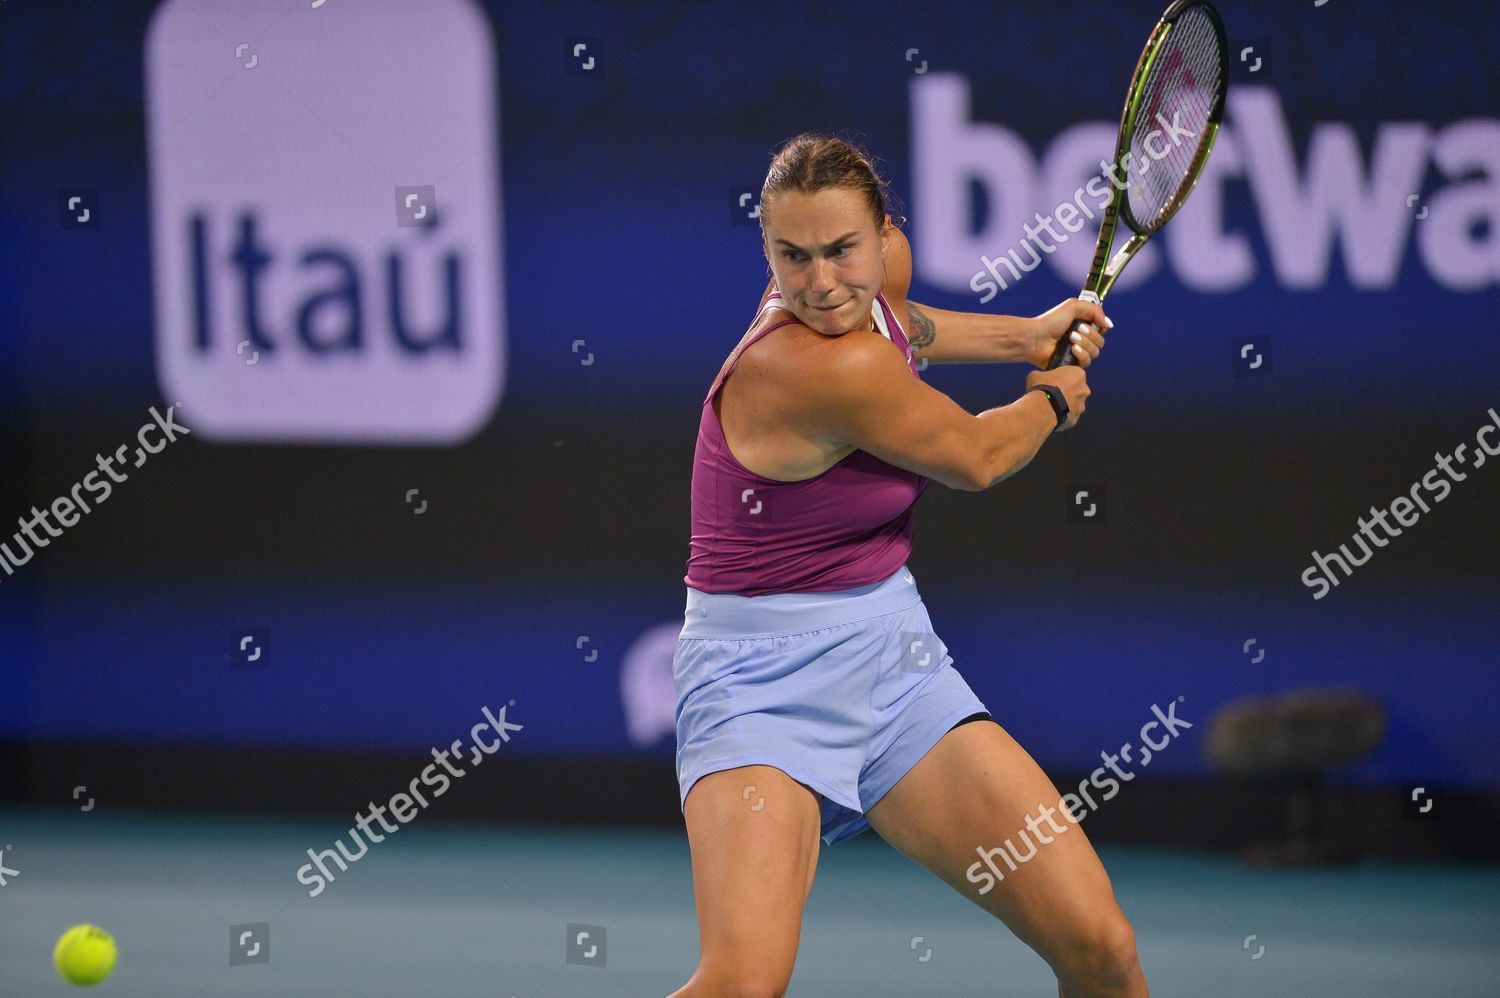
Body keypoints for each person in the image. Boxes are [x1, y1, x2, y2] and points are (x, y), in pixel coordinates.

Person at [668, 133, 1146, 998]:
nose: (820, 283)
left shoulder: (874, 293)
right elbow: (977, 456)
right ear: (766, 253)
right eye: (792, 257)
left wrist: (1025, 337)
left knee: (1100, 947)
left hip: (893, 662)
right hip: (757, 684)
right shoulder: (812, 365)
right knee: (743, 983)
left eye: (842, 250)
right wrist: (1050, 397)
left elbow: (909, 327)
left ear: (885, 236)